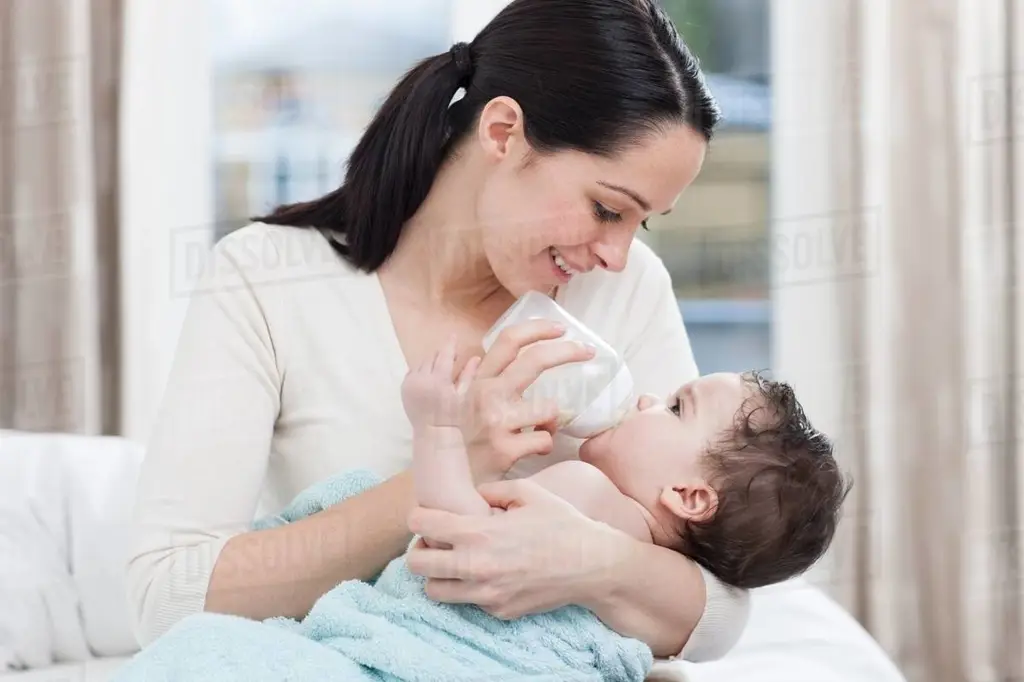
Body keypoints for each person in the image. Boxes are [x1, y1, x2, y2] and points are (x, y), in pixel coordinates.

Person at [125, 0, 748, 664]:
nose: (617, 254)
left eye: (641, 223)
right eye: (606, 208)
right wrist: (449, 465)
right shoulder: (265, 280)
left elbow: (719, 609)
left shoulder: (624, 290)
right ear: (504, 132)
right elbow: (165, 600)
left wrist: (583, 559)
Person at [405, 337, 852, 590]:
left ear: (689, 496)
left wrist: (438, 430)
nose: (645, 399)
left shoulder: (586, 493)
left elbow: (457, 544)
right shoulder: (656, 572)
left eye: (676, 408)